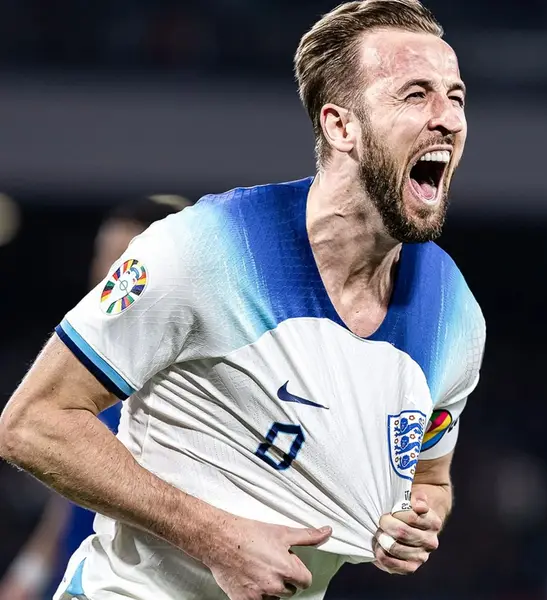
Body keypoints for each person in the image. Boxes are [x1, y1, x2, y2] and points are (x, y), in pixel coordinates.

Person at [0, 1, 486, 598]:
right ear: (341, 126)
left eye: (456, 96)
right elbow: (31, 424)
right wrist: (214, 536)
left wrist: (423, 518)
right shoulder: (206, 248)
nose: (449, 119)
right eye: (416, 95)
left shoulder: (455, 314)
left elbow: (431, 479)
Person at [0, 196, 192, 600]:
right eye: (103, 258)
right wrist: (28, 572)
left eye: (123, 262)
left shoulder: (188, 387)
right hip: (80, 581)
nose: (108, 277)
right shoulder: (88, 374)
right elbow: (71, 491)